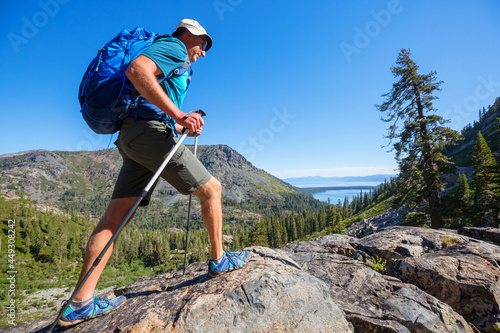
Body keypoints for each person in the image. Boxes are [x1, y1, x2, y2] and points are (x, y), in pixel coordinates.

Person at [59, 19, 249, 327]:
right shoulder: (174, 47)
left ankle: (80, 304)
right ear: (187, 35)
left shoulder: (173, 56)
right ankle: (219, 261)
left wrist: (178, 121)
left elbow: (146, 96)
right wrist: (179, 114)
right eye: (202, 42)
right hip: (149, 133)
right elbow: (137, 71)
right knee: (212, 189)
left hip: (132, 136)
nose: (203, 50)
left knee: (114, 217)